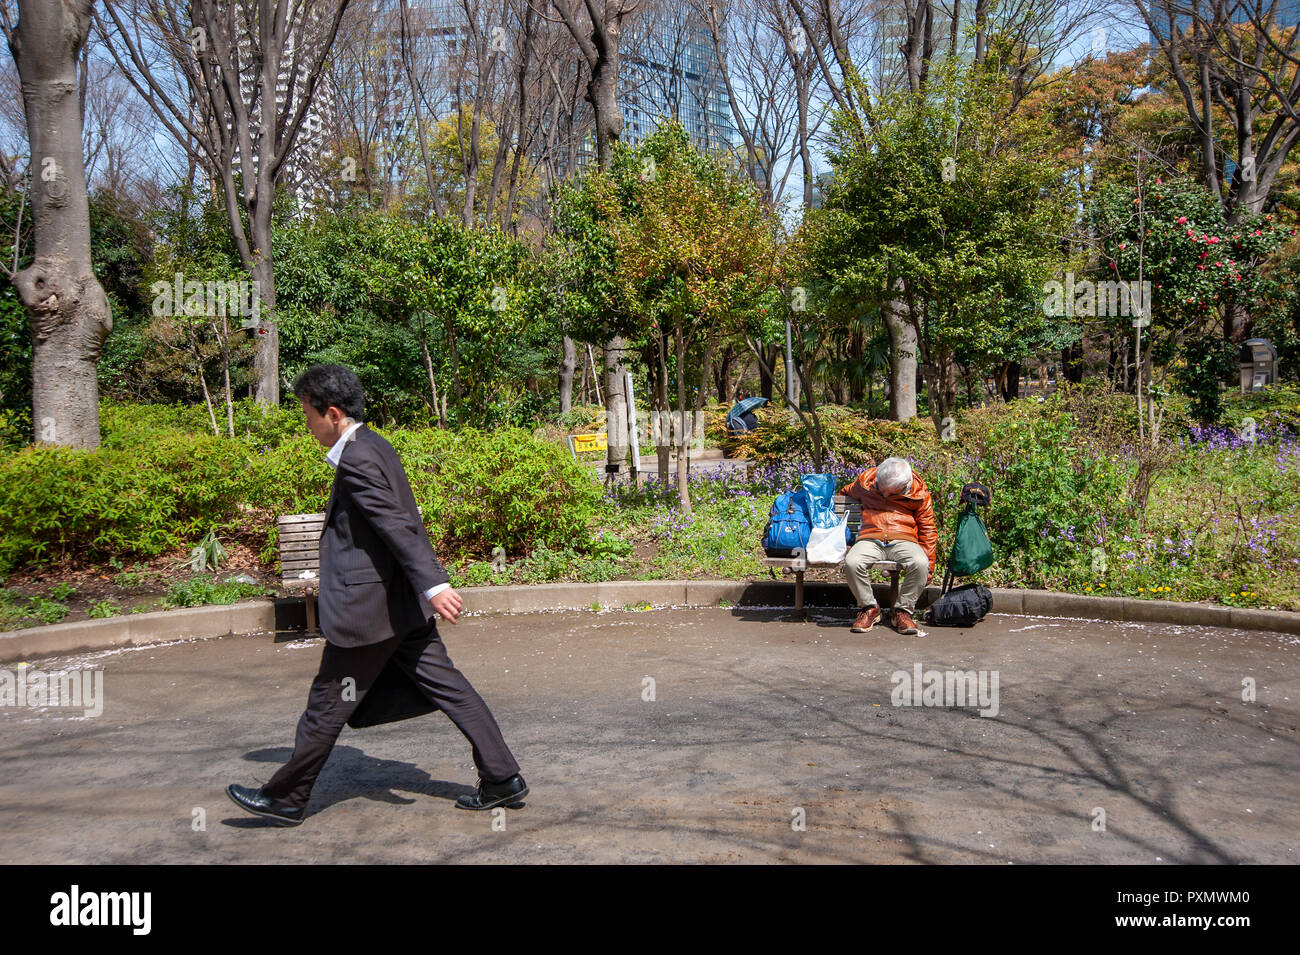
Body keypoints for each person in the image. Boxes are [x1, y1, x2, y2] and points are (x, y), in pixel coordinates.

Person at [227, 364, 525, 826]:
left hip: (370, 613)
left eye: (307, 415)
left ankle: (286, 798)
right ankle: (502, 777)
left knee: (326, 705)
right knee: (451, 687)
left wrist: (435, 584)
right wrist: (425, 587)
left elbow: (396, 524)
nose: (305, 425)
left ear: (332, 413)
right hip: (397, 609)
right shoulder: (374, 445)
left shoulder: (359, 457)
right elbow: (398, 522)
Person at [839, 457, 937, 636]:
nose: (884, 495)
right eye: (881, 489)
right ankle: (870, 608)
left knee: (920, 563)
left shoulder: (918, 493)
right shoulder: (866, 482)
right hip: (870, 537)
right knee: (852, 562)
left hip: (904, 538)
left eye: (891, 493)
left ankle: (903, 612)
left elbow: (928, 529)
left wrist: (929, 566)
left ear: (905, 485)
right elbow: (845, 491)